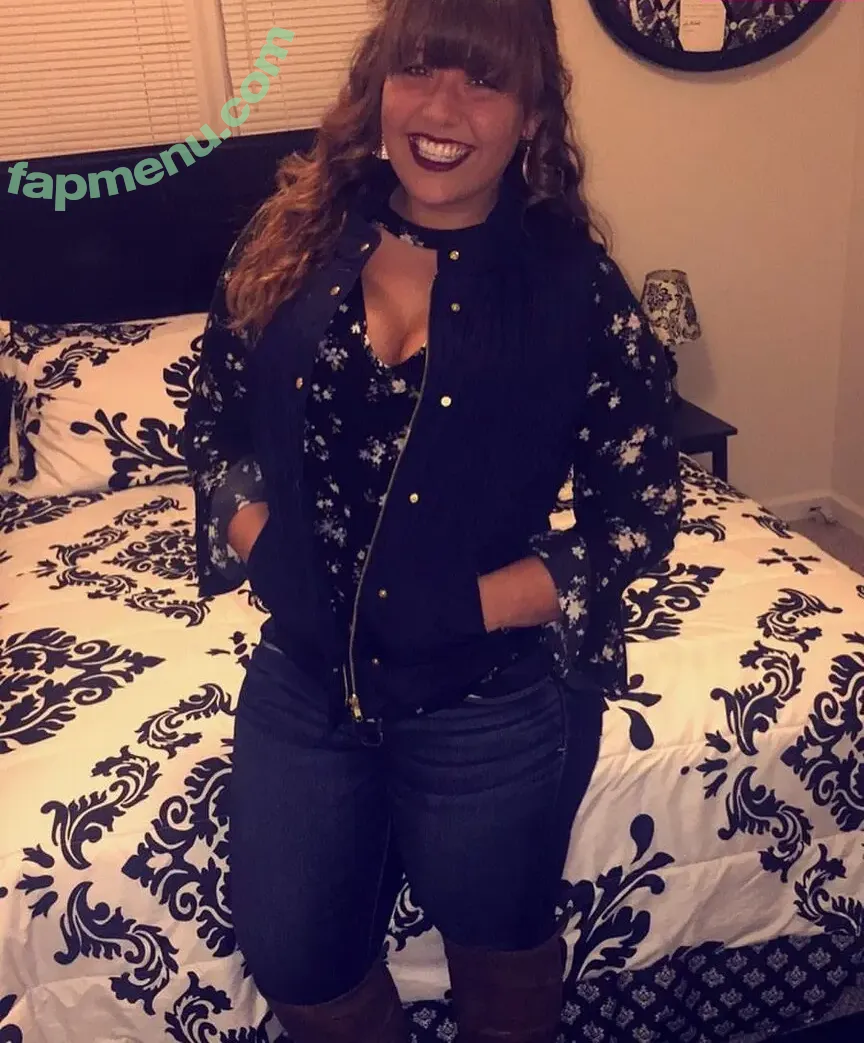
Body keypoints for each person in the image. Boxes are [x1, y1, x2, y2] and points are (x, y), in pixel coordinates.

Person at [182, 0, 682, 1040]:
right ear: (379, 89)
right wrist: (262, 544)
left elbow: (638, 508)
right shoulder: (290, 240)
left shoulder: (569, 286)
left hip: (486, 703)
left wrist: (474, 605)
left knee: (500, 950)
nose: (442, 108)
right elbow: (214, 422)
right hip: (304, 683)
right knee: (296, 962)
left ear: (532, 118)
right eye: (418, 70)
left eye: (484, 81)